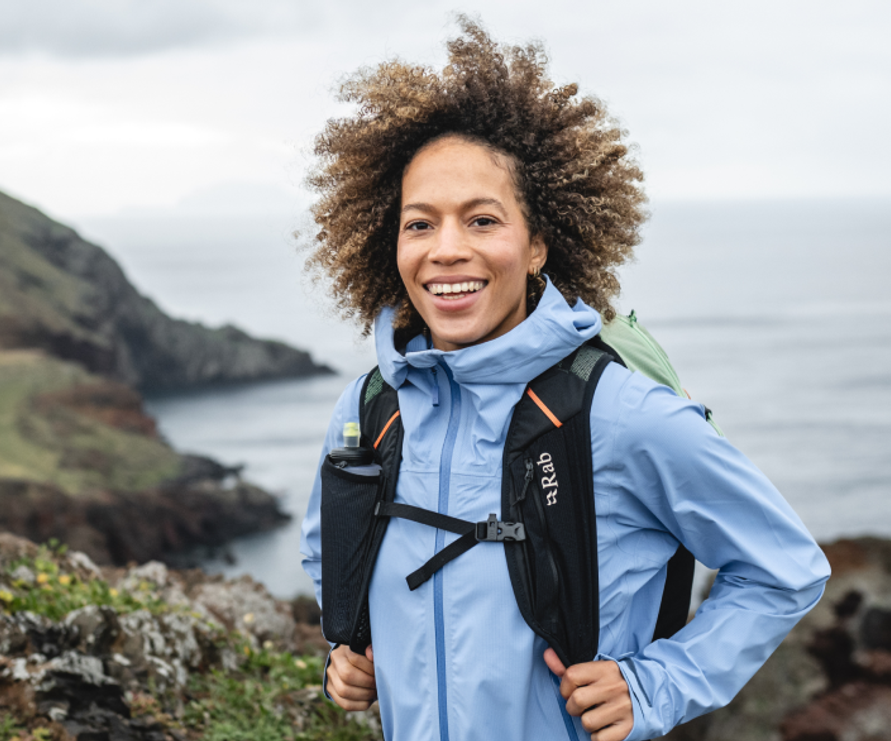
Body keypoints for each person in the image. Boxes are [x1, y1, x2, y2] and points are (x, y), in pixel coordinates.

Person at [299, 19, 830, 741]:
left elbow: (784, 568)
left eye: (482, 220)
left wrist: (654, 686)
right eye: (419, 225)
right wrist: (352, 646)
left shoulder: (617, 412)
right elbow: (327, 546)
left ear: (538, 242)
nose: (446, 250)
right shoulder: (372, 407)